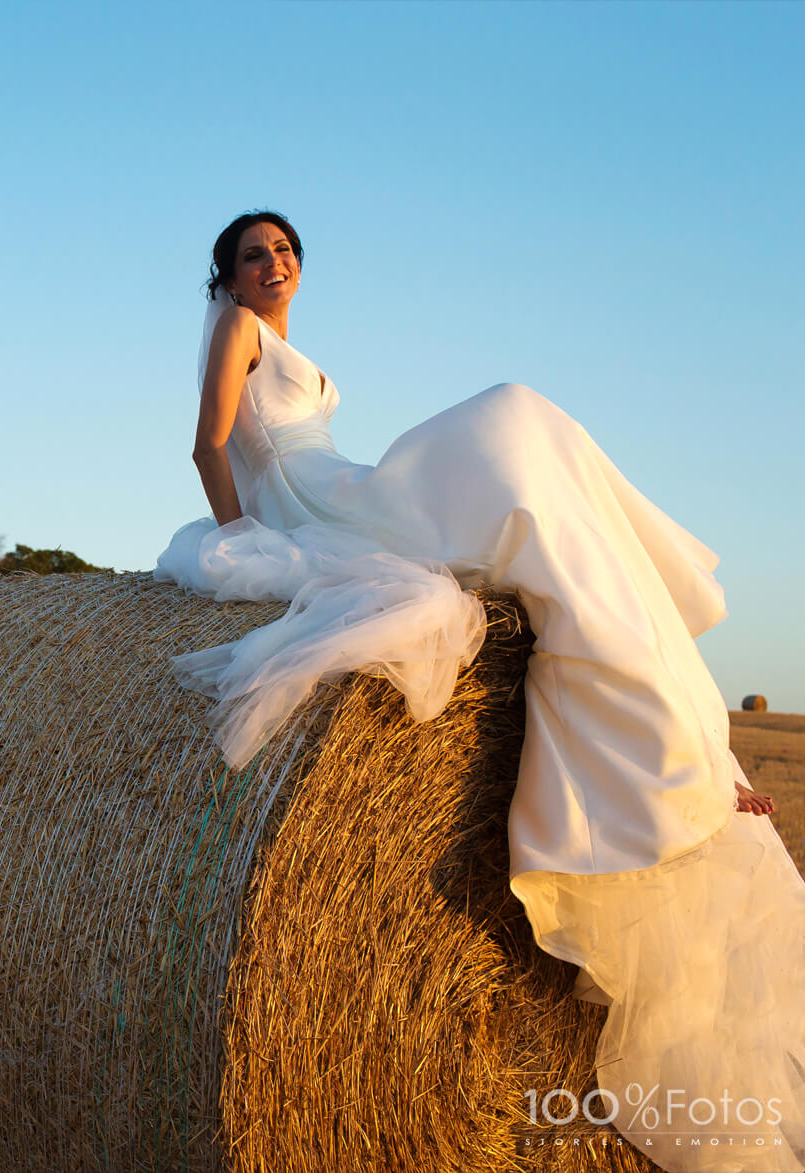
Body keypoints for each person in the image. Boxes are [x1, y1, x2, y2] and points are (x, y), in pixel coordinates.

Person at [156, 210, 804, 1169]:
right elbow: (210, 443)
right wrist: (247, 537)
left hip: (340, 480)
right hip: (312, 498)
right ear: (229, 274)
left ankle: (674, 699)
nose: (274, 263)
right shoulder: (236, 328)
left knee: (538, 449)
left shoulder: (286, 340)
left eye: (286, 250)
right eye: (254, 254)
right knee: (516, 417)